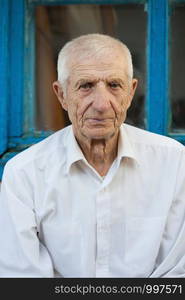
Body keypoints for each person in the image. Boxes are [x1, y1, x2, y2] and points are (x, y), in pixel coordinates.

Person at [0, 33, 185, 278]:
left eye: (114, 85)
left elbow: (176, 274)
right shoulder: (24, 173)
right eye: (86, 86)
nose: (101, 104)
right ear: (61, 95)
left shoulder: (173, 162)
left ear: (131, 92)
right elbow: (22, 279)